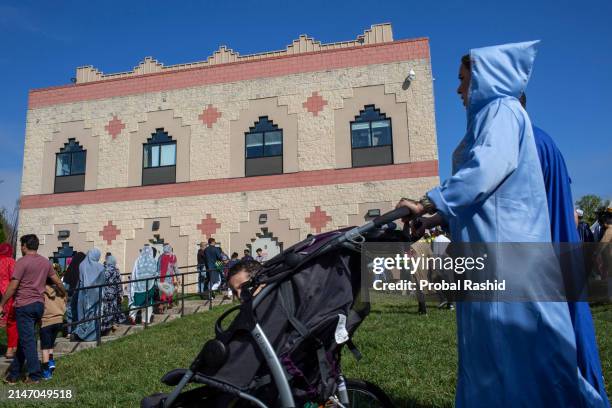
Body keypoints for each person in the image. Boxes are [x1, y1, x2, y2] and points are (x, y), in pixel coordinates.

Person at [397, 42, 587, 407]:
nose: (458, 90)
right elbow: (485, 198)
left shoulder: (500, 111)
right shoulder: (492, 118)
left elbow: (485, 170)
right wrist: (435, 218)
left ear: (485, 79)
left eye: (463, 81)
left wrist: (426, 203)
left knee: (514, 354)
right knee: (498, 355)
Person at [521, 93, 610, 406]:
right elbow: (569, 211)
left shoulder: (525, 143)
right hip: (560, 258)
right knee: (573, 336)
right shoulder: (544, 140)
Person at [0, 234, 66, 384]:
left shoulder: (22, 262)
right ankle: (13, 375)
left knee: (28, 340)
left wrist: (2, 303)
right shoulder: (45, 262)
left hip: (24, 306)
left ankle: (35, 375)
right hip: (39, 305)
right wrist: (64, 293)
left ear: (24, 246)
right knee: (26, 339)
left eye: (21, 245)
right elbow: (56, 280)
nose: (21, 247)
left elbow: (13, 286)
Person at [73, 248, 105, 342]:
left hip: (82, 293)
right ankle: (91, 335)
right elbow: (103, 281)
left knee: (82, 314)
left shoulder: (82, 265)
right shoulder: (100, 267)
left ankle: (80, 333)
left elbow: (81, 279)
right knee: (94, 313)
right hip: (95, 293)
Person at [40, 277, 67, 380]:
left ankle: (46, 372)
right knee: (51, 343)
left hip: (46, 321)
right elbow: (64, 305)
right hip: (58, 321)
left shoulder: (42, 292)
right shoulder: (60, 292)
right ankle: (51, 362)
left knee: (45, 348)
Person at [128, 246, 157, 324]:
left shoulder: (138, 260)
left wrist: (132, 283)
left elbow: (134, 272)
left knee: (136, 302)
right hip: (149, 286)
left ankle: (132, 316)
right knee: (148, 303)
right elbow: (155, 273)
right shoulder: (153, 260)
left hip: (138, 286)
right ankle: (145, 320)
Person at [62, 251, 86, 336]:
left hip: (69, 293)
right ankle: (76, 330)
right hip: (78, 294)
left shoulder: (70, 269)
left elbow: (65, 282)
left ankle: (69, 331)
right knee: (77, 311)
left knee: (69, 312)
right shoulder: (82, 269)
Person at [0, 243, 17, 358]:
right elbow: (14, 279)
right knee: (12, 322)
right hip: (7, 294)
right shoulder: (11, 261)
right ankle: (10, 350)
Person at [101, 255, 123, 333]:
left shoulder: (102, 269)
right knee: (113, 308)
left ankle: (104, 326)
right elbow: (119, 283)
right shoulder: (116, 270)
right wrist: (121, 294)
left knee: (105, 309)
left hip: (104, 293)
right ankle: (112, 324)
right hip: (113, 293)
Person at [157, 245, 178, 312]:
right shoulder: (173, 256)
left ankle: (164, 304)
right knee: (169, 290)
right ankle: (166, 304)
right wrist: (178, 277)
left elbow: (158, 267)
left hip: (161, 276)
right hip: (169, 276)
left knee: (163, 291)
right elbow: (175, 268)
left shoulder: (160, 257)